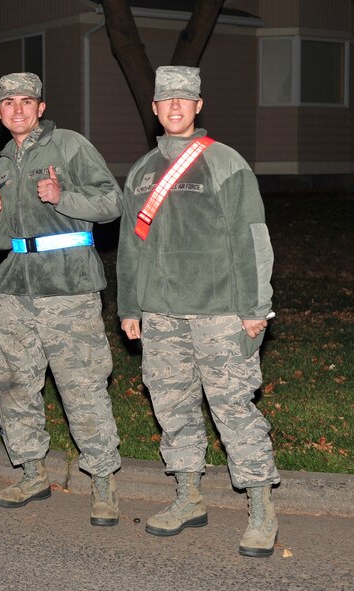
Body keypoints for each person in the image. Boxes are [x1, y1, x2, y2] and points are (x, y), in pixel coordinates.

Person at [116, 66, 280, 557]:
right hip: (160, 314)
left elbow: (252, 239)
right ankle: (188, 496)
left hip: (219, 313)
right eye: (166, 99)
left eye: (184, 99)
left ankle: (261, 509)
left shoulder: (225, 162)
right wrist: (129, 305)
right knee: (172, 408)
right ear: (155, 108)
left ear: (198, 106)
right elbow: (129, 245)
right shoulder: (142, 170)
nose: (175, 107)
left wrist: (255, 307)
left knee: (233, 409)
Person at [0, 73, 123, 524]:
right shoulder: (5, 162)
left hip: (68, 289)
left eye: (27, 101)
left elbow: (112, 202)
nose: (18, 109)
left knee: (82, 386)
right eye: (9, 103)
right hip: (16, 290)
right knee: (14, 384)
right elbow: (1, 240)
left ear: (41, 108)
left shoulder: (70, 145)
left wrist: (65, 196)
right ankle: (31, 472)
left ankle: (103, 481)